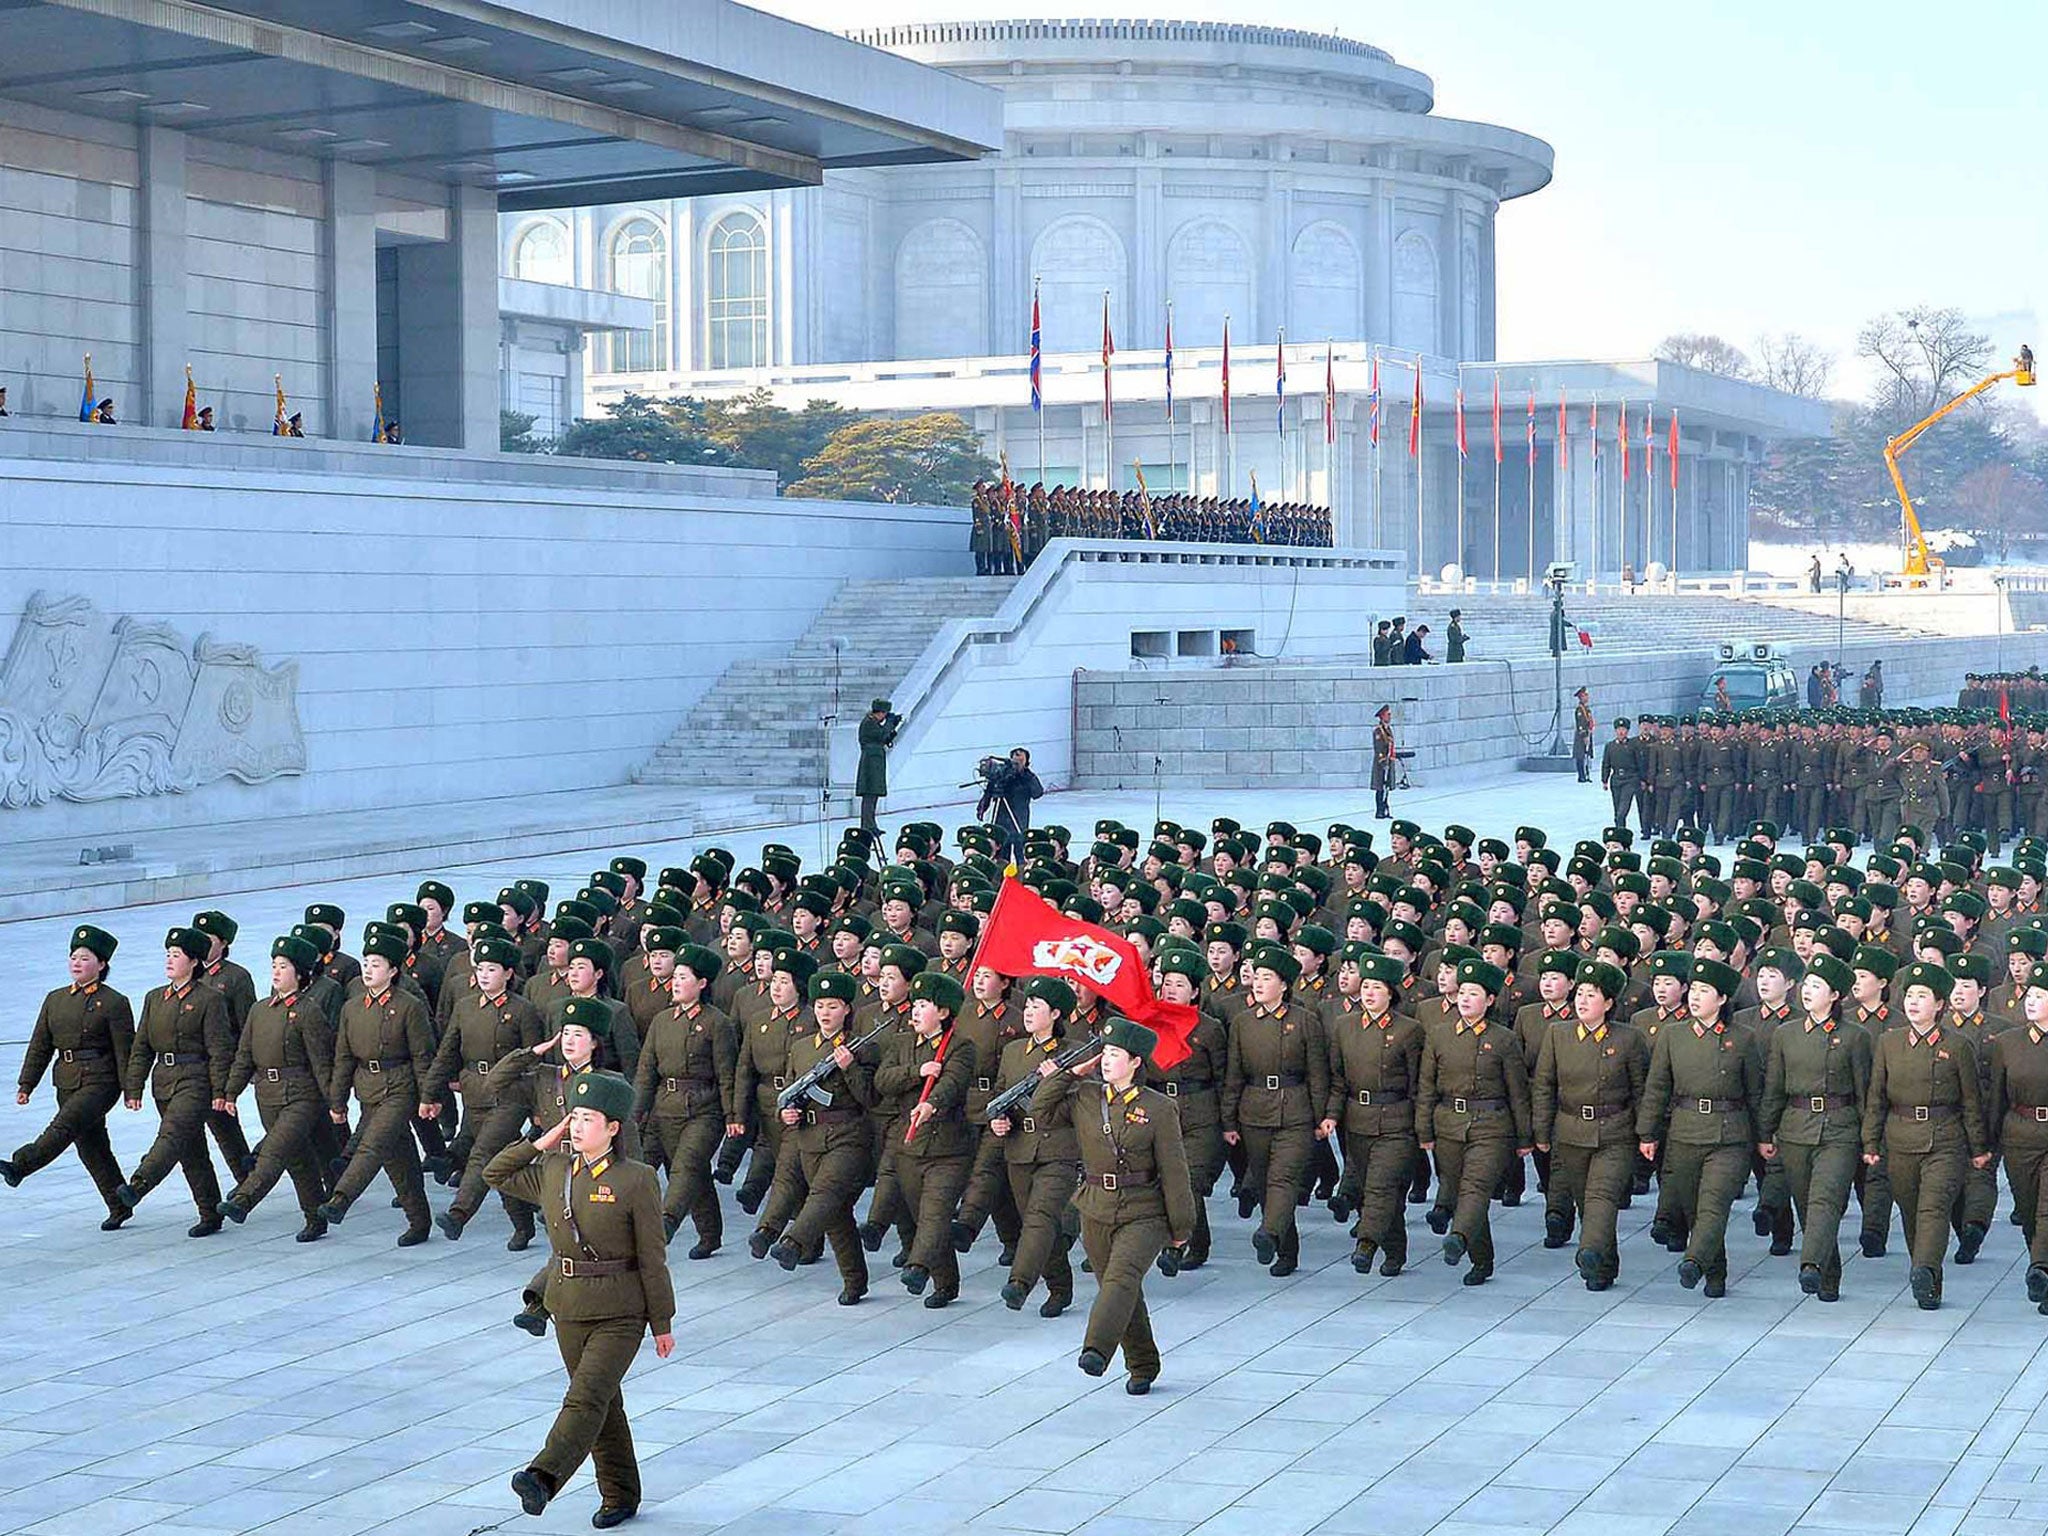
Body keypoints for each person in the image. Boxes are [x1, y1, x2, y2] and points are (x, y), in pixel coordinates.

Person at [485, 1070, 673, 1530]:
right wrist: (540, 1142)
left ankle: (542, 1477)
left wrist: (661, 1321)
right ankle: (621, 1494)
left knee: (584, 1398)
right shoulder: (554, 1170)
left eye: (588, 1119)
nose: (577, 1126)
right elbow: (495, 1173)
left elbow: (653, 1257)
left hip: (620, 1311)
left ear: (613, 1128)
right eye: (574, 1117)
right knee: (603, 1404)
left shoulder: (637, 1179)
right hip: (568, 1306)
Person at [1031, 1015, 1195, 1395]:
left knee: (1120, 1281)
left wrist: (1181, 1228)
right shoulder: (1085, 1097)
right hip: (1095, 1206)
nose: (1106, 1060)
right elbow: (1040, 1107)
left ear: (1136, 1062)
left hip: (1144, 1211)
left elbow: (1174, 1169)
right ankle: (1143, 1364)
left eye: (1116, 1054)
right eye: (1104, 1053)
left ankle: (1096, 1350)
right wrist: (1072, 1072)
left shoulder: (1158, 1107)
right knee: (1120, 1290)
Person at [1861, 960, 1991, 1310]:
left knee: (1934, 1207)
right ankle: (1929, 1277)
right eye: (1910, 995)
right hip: (1900, 1137)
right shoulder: (1889, 1043)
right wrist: (1871, 1142)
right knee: (1909, 1207)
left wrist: (1979, 1148)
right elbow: (1876, 1097)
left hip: (1945, 1139)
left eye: (1922, 996)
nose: (1914, 1002)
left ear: (1939, 1004)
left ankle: (1924, 1269)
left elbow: (1970, 1102)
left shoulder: (1959, 1045)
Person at [1637, 956, 1758, 1296]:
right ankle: (1715, 1271)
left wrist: (1764, 1140)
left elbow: (1756, 1093)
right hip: (1684, 1132)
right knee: (1693, 1207)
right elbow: (1657, 1088)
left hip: (1729, 1135)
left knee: (1714, 1203)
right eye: (1694, 989)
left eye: (1705, 991)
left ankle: (1693, 1260)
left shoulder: (1743, 1038)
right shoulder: (1673, 1036)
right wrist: (1648, 1133)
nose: (1695, 997)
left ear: (1721, 999)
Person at [3, 924, 135, 1229]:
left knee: (63, 1127)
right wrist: (27, 1083)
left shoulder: (114, 1002)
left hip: (100, 1081)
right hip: (65, 1080)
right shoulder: (55, 999)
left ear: (102, 965)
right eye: (74, 957)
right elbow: (40, 1045)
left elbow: (125, 1051)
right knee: (92, 1146)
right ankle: (119, 1204)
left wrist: (131, 1089)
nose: (77, 963)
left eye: (85, 958)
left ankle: (21, 1165)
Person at [1756, 951, 1867, 1301]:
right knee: (1807, 1204)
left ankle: (1809, 1265)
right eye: (1807, 984)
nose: (1808, 991)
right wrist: (1765, 1133)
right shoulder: (1786, 1034)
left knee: (1826, 1198)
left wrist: (1871, 1140)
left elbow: (1866, 1093)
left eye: (1817, 986)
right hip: (1795, 1129)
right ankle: (1828, 1276)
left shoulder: (1855, 1036)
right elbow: (1774, 1087)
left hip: (1840, 1128)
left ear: (1835, 995)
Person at [316, 923, 436, 1246]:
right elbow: (343, 1057)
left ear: (393, 970)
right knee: (400, 1159)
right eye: (366, 962)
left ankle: (340, 1199)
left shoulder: (409, 1007)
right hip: (367, 1088)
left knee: (372, 1144)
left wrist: (428, 1096)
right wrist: (337, 1102)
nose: (368, 970)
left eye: (377, 964)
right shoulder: (352, 1007)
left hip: (400, 1088)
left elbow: (423, 1056)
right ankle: (420, 1222)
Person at [1531, 960, 1646, 1290]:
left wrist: (1646, 1134)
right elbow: (1544, 1085)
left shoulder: (1629, 1039)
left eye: (1591, 995)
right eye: (1579, 993)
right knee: (1584, 1199)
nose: (1581, 1001)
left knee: (1602, 1196)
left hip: (1615, 1131)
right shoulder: (1558, 1034)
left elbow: (1642, 1091)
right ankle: (1603, 1265)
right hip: (1570, 1131)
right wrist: (1541, 1130)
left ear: (1608, 1003)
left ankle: (1590, 1251)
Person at [112, 927, 235, 1236]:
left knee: (170, 1135)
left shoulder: (210, 999)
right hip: (163, 1082)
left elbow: (220, 1049)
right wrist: (133, 1086)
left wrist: (221, 1091)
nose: (169, 960)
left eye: (176, 955)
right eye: (167, 954)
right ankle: (210, 1213)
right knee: (191, 1149)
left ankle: (139, 1184)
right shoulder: (155, 998)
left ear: (193, 961)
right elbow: (142, 1046)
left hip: (196, 1081)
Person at [1417, 958, 1531, 1286]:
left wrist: (1525, 1138)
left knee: (1477, 1186)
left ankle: (1458, 1236)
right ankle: (1482, 1259)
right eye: (1462, 992)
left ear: (1490, 1000)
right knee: (1455, 1186)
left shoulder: (1505, 1039)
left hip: (1492, 1125)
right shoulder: (1439, 1036)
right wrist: (1424, 1129)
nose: (1465, 999)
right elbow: (1427, 1086)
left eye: (1474, 993)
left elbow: (1518, 1093)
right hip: (1449, 1122)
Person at [215, 935, 336, 1241]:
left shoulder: (309, 1011)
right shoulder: (259, 1010)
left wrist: (335, 1103)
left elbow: (322, 1062)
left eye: (284, 966)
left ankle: (244, 1200)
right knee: (298, 1159)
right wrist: (231, 1092)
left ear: (300, 973)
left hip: (302, 1095)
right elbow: (244, 1055)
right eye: (274, 966)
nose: (277, 972)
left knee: (273, 1151)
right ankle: (315, 1216)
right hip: (266, 1095)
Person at [1221, 944, 1328, 1278]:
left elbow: (1318, 1074)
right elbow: (1234, 1074)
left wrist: (1322, 1117)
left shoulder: (1305, 1021)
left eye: (1267, 978)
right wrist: (1228, 1119)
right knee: (1267, 1181)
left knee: (1284, 1178)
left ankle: (1267, 1233)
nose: (1258, 982)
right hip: (1254, 1110)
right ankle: (1285, 1247)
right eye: (1257, 977)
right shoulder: (1242, 1023)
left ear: (1284, 985)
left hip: (1295, 1111)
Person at [986, 976, 1081, 1316]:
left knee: (1041, 1216)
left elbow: (1075, 1105)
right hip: (1019, 1148)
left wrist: (1056, 1079)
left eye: (1036, 1007)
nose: (1027, 1012)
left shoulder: (1073, 1054)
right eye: (1026, 1005)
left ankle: (1020, 1283)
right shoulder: (1013, 1051)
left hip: (1059, 1149)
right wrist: (998, 1120)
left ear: (1056, 1013)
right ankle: (1060, 1287)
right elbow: (1000, 1094)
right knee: (1038, 1222)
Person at [977, 746, 1043, 866]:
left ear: (1026, 762)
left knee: (1020, 854)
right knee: (1002, 855)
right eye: (1015, 758)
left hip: (1019, 821)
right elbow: (989, 792)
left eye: (1021, 759)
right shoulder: (1003, 774)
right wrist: (982, 808)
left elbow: (1037, 793)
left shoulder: (1028, 777)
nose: (1017, 762)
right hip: (1001, 821)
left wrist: (1026, 776)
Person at [856, 699, 902, 835]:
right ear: (880, 712)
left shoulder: (873, 723)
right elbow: (881, 735)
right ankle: (867, 826)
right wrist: (889, 722)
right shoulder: (869, 723)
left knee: (873, 794)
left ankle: (871, 824)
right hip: (870, 762)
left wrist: (893, 727)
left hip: (875, 760)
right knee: (870, 794)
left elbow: (884, 738)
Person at [1372, 705, 1397, 820]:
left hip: (1388, 761)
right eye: (1388, 714)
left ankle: (1385, 807)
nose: (1390, 716)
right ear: (1382, 716)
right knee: (1380, 787)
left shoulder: (1388, 729)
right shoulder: (1378, 730)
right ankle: (1379, 810)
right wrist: (1383, 762)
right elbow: (1379, 748)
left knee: (1386, 785)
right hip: (1381, 763)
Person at [1572, 688, 1594, 783]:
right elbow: (1580, 723)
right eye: (1585, 695)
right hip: (1582, 736)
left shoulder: (1586, 708)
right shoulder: (1580, 710)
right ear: (1581, 697)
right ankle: (1581, 775)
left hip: (1588, 733)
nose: (1587, 697)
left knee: (1586, 755)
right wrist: (1584, 735)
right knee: (1580, 755)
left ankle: (1586, 773)